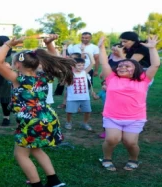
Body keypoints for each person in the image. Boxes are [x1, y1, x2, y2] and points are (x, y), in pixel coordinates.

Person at [0, 35, 73, 187]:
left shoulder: (18, 78)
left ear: (17, 64)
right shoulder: (43, 76)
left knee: (21, 154)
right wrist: (50, 44)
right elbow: (56, 61)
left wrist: (7, 44)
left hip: (31, 121)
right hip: (47, 117)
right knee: (35, 148)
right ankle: (53, 180)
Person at [99, 36, 160, 171]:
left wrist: (152, 48)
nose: (122, 67)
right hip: (112, 116)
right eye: (120, 65)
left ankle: (133, 159)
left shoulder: (143, 79)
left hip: (135, 118)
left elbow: (155, 65)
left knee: (130, 142)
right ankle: (107, 158)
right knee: (111, 140)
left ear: (136, 69)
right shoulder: (112, 77)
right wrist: (101, 47)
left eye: (127, 65)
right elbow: (104, 63)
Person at [64, 54, 95, 131]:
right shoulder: (70, 74)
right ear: (73, 66)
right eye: (79, 65)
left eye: (83, 65)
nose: (81, 67)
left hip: (85, 97)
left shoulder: (84, 72)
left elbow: (92, 63)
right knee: (69, 112)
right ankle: (68, 122)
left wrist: (88, 54)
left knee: (88, 111)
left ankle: (85, 123)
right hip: (72, 98)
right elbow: (64, 82)